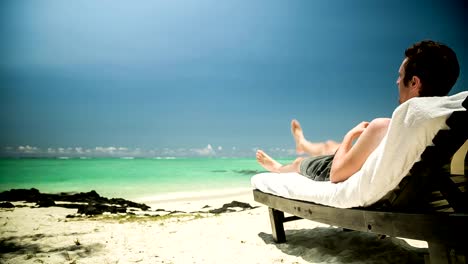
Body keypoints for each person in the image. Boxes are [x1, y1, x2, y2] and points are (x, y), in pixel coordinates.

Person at [256, 40, 460, 183]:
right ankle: (303, 143)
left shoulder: (384, 125)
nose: (397, 81)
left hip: (343, 168)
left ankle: (277, 166)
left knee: (303, 161)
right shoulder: (442, 121)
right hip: (400, 177)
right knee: (329, 146)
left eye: (400, 75)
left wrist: (350, 134)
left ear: (414, 82)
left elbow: (336, 174)